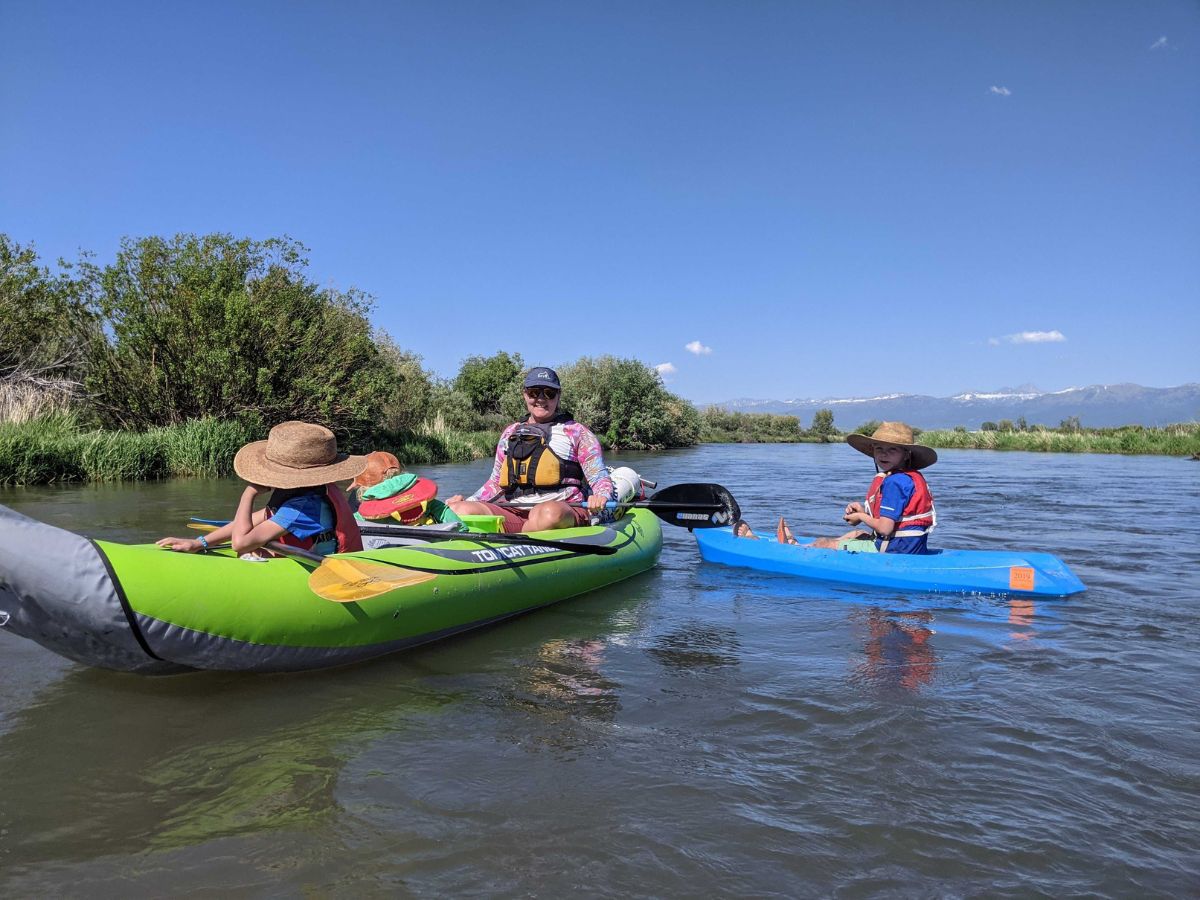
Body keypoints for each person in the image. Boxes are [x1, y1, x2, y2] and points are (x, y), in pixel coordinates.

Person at [156, 420, 367, 557]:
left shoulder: (304, 506)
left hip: (323, 572)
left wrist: (249, 493)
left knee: (247, 550)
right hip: (303, 557)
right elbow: (260, 518)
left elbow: (240, 543)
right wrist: (199, 542)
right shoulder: (308, 491)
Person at [446, 367, 615, 532]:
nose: (541, 399)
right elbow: (495, 482)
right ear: (525, 394)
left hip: (562, 509)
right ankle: (518, 534)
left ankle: (512, 540)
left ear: (558, 396)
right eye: (534, 392)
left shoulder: (578, 433)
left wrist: (601, 496)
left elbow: (599, 477)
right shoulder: (510, 433)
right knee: (459, 510)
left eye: (549, 393)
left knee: (550, 513)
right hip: (512, 509)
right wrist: (470, 500)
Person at [735, 421, 937, 554]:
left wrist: (861, 518)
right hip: (909, 546)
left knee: (824, 543)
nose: (884, 455)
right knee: (854, 535)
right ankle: (797, 544)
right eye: (879, 449)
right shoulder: (907, 478)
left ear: (906, 454)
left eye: (892, 450)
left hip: (894, 550)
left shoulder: (894, 482)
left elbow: (885, 528)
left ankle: (778, 547)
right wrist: (864, 510)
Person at [350, 450, 462, 527]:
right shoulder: (428, 502)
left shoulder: (362, 516)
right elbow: (453, 521)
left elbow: (349, 529)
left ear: (362, 488)